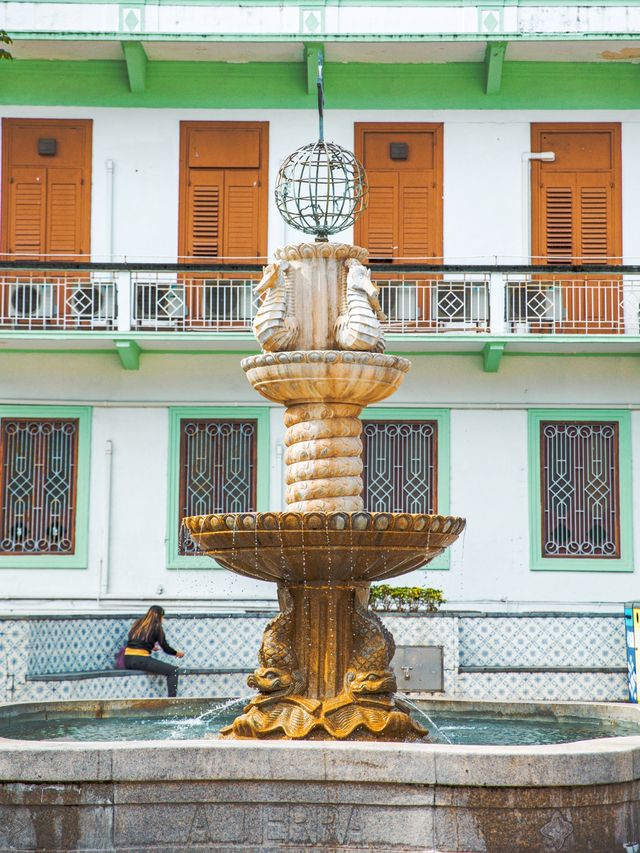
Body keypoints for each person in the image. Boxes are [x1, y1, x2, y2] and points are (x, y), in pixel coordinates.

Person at [124, 605, 185, 697]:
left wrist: (150, 647)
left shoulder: (138, 623)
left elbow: (134, 640)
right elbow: (165, 647)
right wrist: (177, 653)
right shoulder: (156, 626)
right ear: (160, 616)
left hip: (127, 660)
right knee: (173, 671)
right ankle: (172, 701)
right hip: (140, 660)